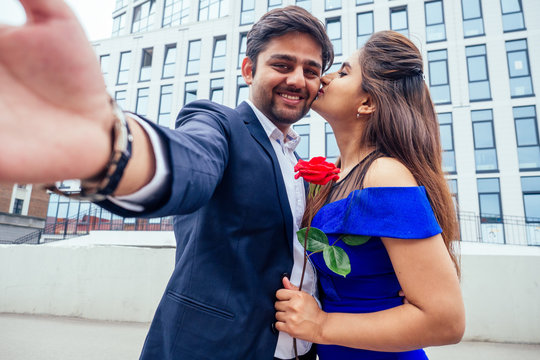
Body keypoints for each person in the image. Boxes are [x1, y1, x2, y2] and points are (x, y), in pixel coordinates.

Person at [0, 1, 334, 359]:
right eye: (282, 65)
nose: (297, 79)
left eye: (311, 71)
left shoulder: (299, 165)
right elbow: (191, 163)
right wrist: (108, 145)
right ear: (249, 70)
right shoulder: (218, 124)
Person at [274, 30, 465, 359]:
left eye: (344, 72)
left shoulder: (384, 174)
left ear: (368, 102)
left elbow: (446, 321)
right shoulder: (338, 176)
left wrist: (320, 325)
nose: (326, 77)